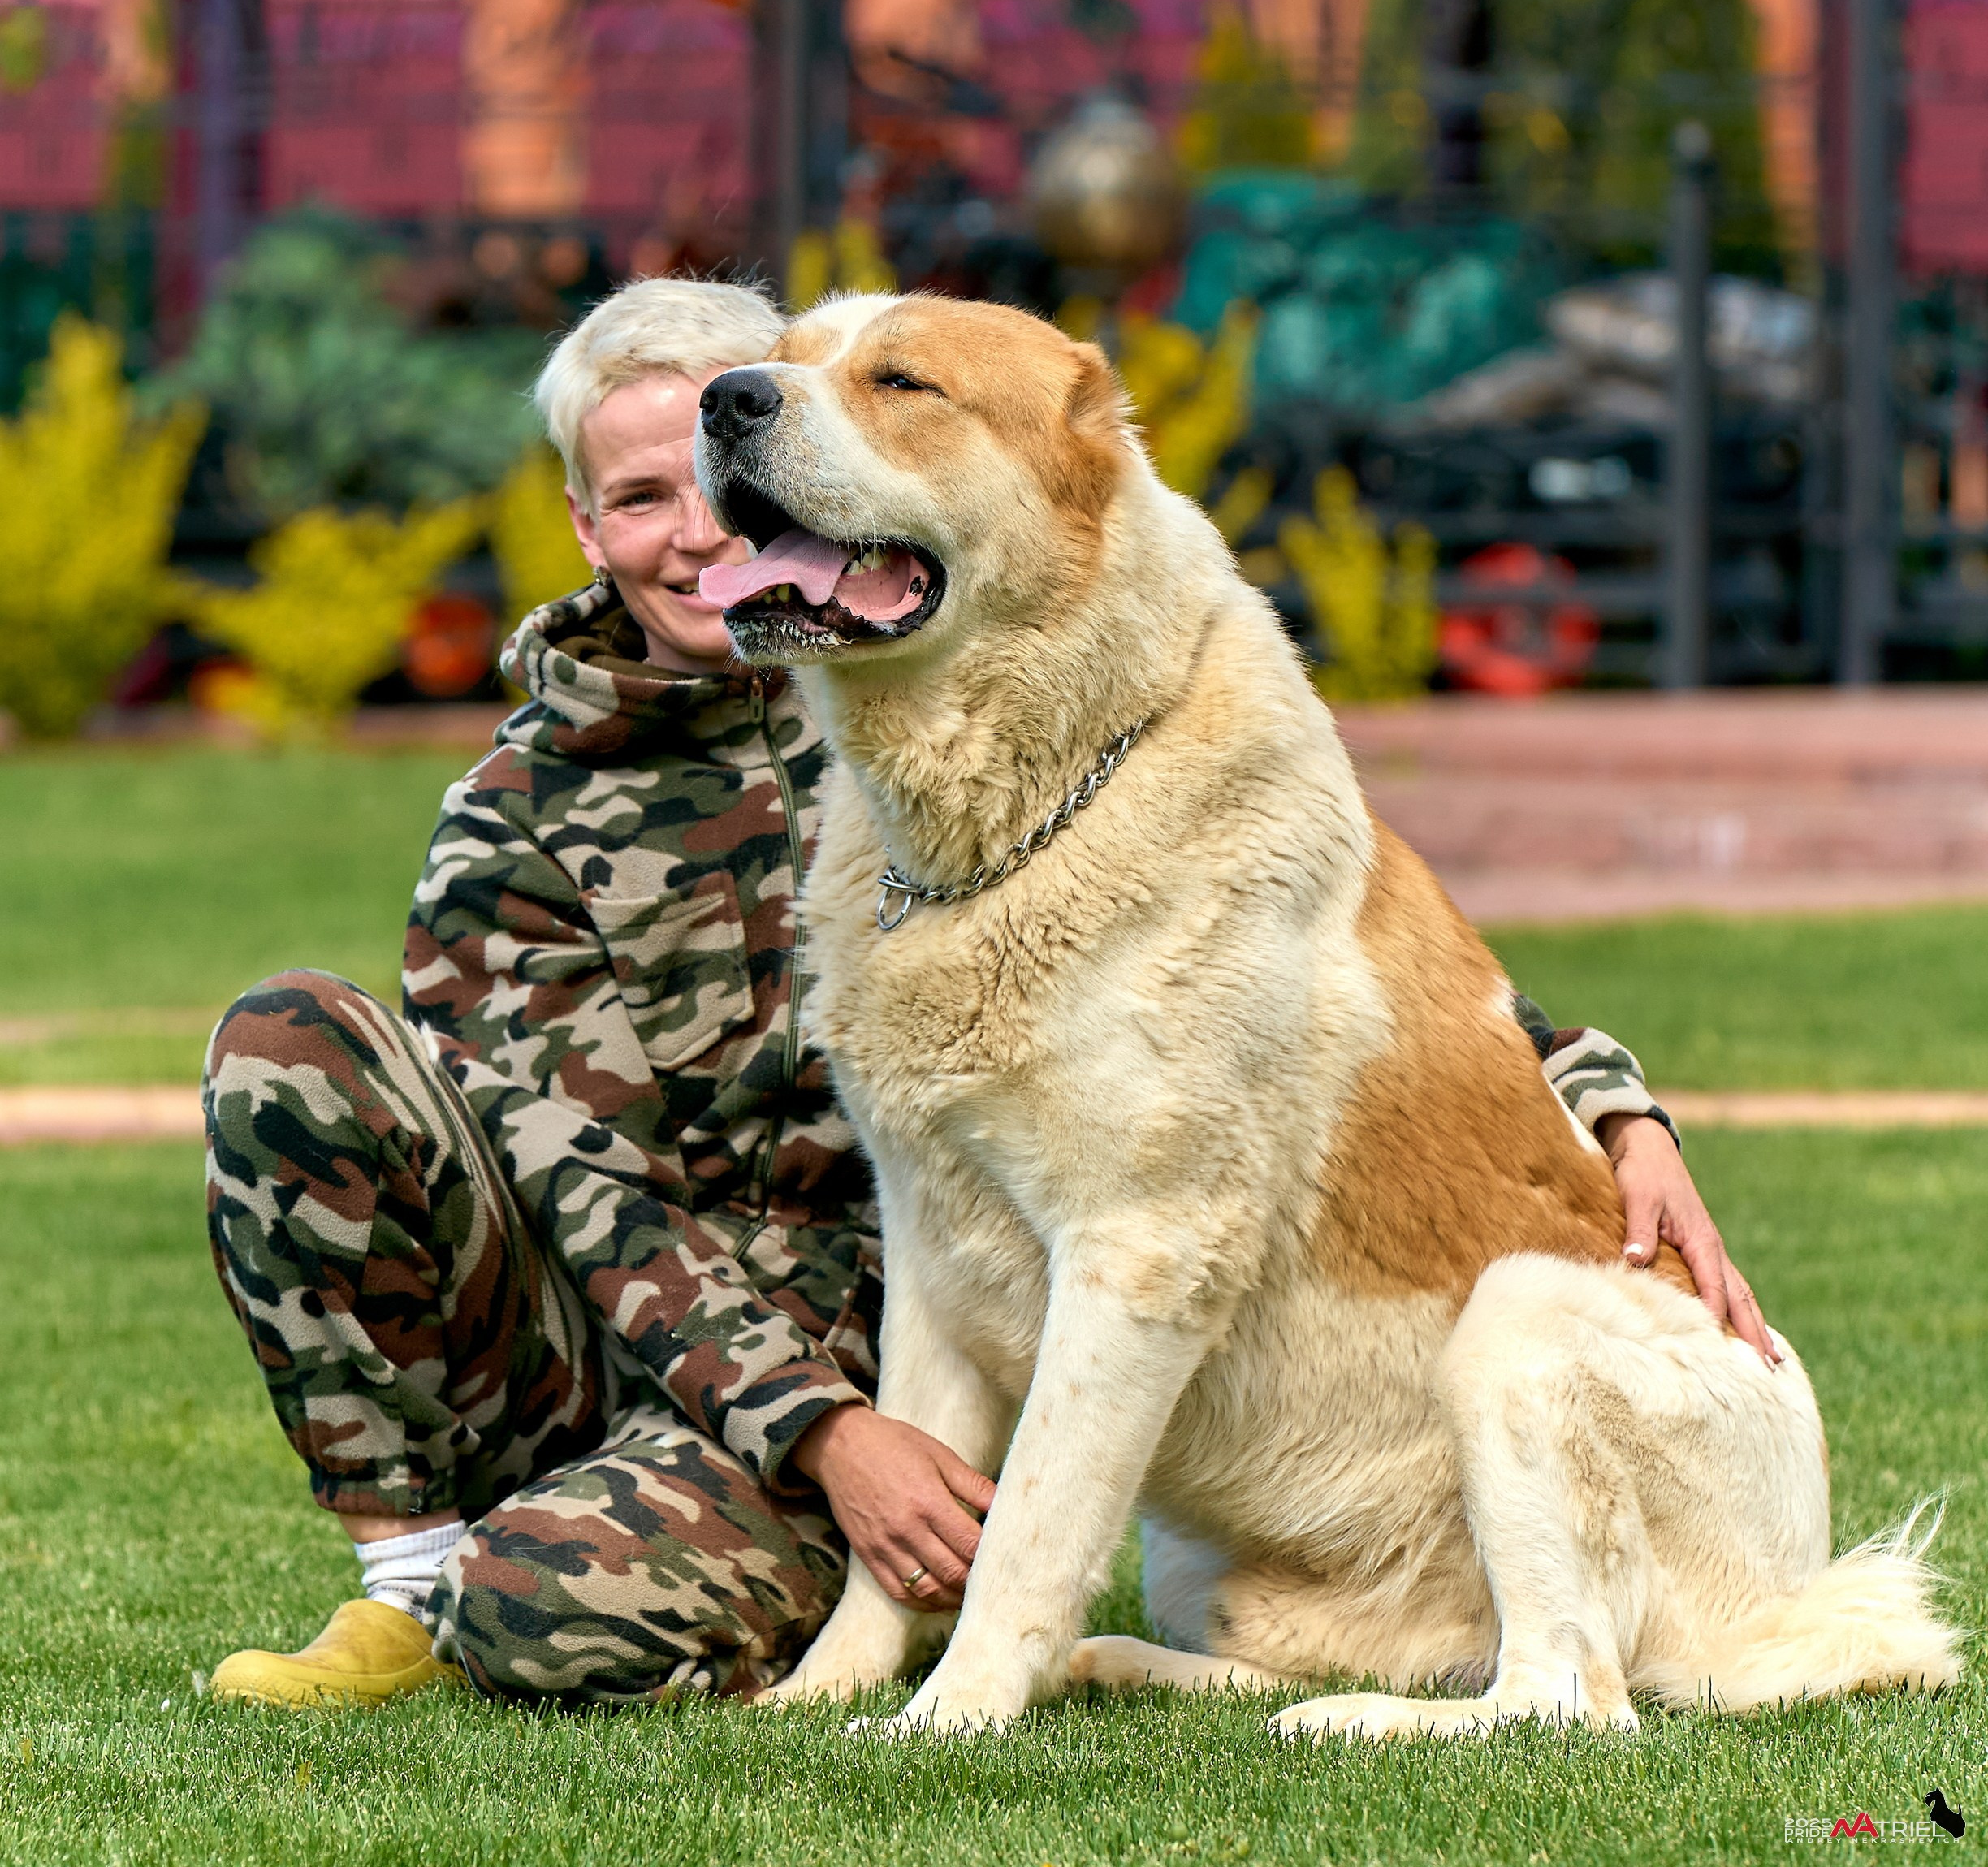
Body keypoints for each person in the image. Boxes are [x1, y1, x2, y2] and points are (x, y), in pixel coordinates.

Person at [201, 277, 1773, 1710]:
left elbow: (1319, 973)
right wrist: (822, 1432)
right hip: (673, 1347)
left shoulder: (922, 687)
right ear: (582, 524)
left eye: (728, 453)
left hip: (877, 1349)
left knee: (548, 1615)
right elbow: (587, 1193)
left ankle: (628, 1574)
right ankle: (417, 1577)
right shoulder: (528, 814)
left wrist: (1611, 1103)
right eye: (642, 495)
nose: (699, 526)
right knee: (291, 1048)